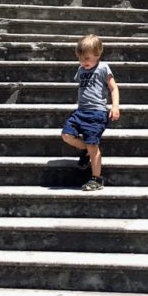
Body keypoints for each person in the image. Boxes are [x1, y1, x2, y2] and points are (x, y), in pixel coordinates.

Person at [60, 34, 120, 192]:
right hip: (81, 112)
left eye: (86, 58)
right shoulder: (81, 69)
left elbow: (113, 88)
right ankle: (85, 150)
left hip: (97, 113)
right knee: (66, 135)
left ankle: (96, 179)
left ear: (98, 54)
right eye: (80, 58)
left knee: (93, 145)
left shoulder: (103, 68)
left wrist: (115, 106)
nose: (83, 62)